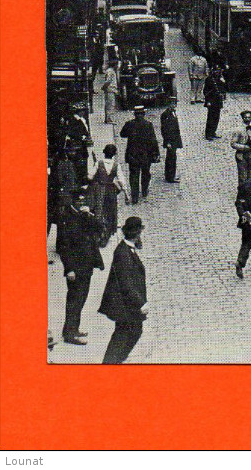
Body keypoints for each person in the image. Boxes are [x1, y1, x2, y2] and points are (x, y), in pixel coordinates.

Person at [57, 189, 105, 345]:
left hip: (86, 265)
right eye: (79, 202)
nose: (81, 204)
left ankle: (73, 329)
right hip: (76, 268)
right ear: (73, 202)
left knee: (81, 299)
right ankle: (70, 333)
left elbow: (99, 228)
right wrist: (69, 268)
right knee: (74, 300)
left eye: (83, 202)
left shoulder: (84, 216)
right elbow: (63, 246)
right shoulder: (67, 218)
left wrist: (90, 214)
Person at [98, 216, 148, 364]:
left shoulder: (127, 250)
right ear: (137, 234)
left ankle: (115, 361)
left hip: (127, 304)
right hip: (124, 305)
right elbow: (126, 283)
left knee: (133, 332)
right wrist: (141, 303)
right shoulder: (123, 253)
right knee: (124, 334)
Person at [88, 143, 128, 246]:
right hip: (111, 190)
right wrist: (126, 194)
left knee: (99, 211)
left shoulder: (98, 163)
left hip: (100, 190)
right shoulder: (116, 166)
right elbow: (121, 180)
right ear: (114, 154)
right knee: (110, 212)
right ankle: (106, 234)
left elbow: (90, 177)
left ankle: (99, 234)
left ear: (104, 153)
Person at [119, 106, 160, 204]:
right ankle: (144, 190)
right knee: (146, 173)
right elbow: (153, 140)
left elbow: (122, 134)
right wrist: (156, 153)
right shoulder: (148, 125)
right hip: (146, 155)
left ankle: (134, 196)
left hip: (133, 155)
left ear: (135, 114)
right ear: (143, 114)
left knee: (134, 175)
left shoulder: (129, 124)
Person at [65, 102, 93, 184]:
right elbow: (71, 133)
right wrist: (82, 137)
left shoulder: (82, 119)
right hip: (77, 146)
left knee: (83, 162)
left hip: (82, 146)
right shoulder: (73, 121)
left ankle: (83, 179)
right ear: (78, 111)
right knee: (79, 164)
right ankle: (80, 181)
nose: (84, 112)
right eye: (82, 110)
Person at [231, 110, 251, 185]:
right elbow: (233, 144)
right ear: (242, 118)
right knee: (242, 176)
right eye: (245, 117)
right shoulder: (238, 130)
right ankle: (242, 194)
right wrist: (244, 147)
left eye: (249, 117)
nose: (247, 119)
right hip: (241, 155)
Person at [160, 97, 183, 183]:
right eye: (172, 104)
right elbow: (165, 129)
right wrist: (168, 141)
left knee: (172, 158)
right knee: (171, 158)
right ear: (169, 104)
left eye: (175, 103)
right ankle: (170, 177)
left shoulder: (173, 113)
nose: (174, 105)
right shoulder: (166, 114)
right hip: (170, 140)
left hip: (174, 139)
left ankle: (170, 175)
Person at [203, 69, 225, 140]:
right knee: (210, 118)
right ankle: (208, 134)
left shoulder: (220, 79)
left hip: (217, 101)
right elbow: (205, 91)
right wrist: (208, 101)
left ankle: (213, 132)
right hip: (211, 101)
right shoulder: (209, 79)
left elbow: (223, 90)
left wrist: (223, 82)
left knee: (216, 118)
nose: (217, 72)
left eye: (218, 71)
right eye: (215, 71)